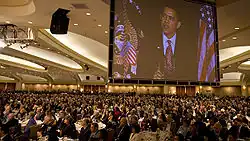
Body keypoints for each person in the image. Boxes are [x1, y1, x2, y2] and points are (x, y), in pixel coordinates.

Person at [136, 0, 199, 81]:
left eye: (171, 18)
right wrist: (151, 78)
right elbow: (140, 72)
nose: (166, 21)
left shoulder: (188, 47)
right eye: (164, 16)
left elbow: (192, 74)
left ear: (178, 24)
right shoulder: (148, 43)